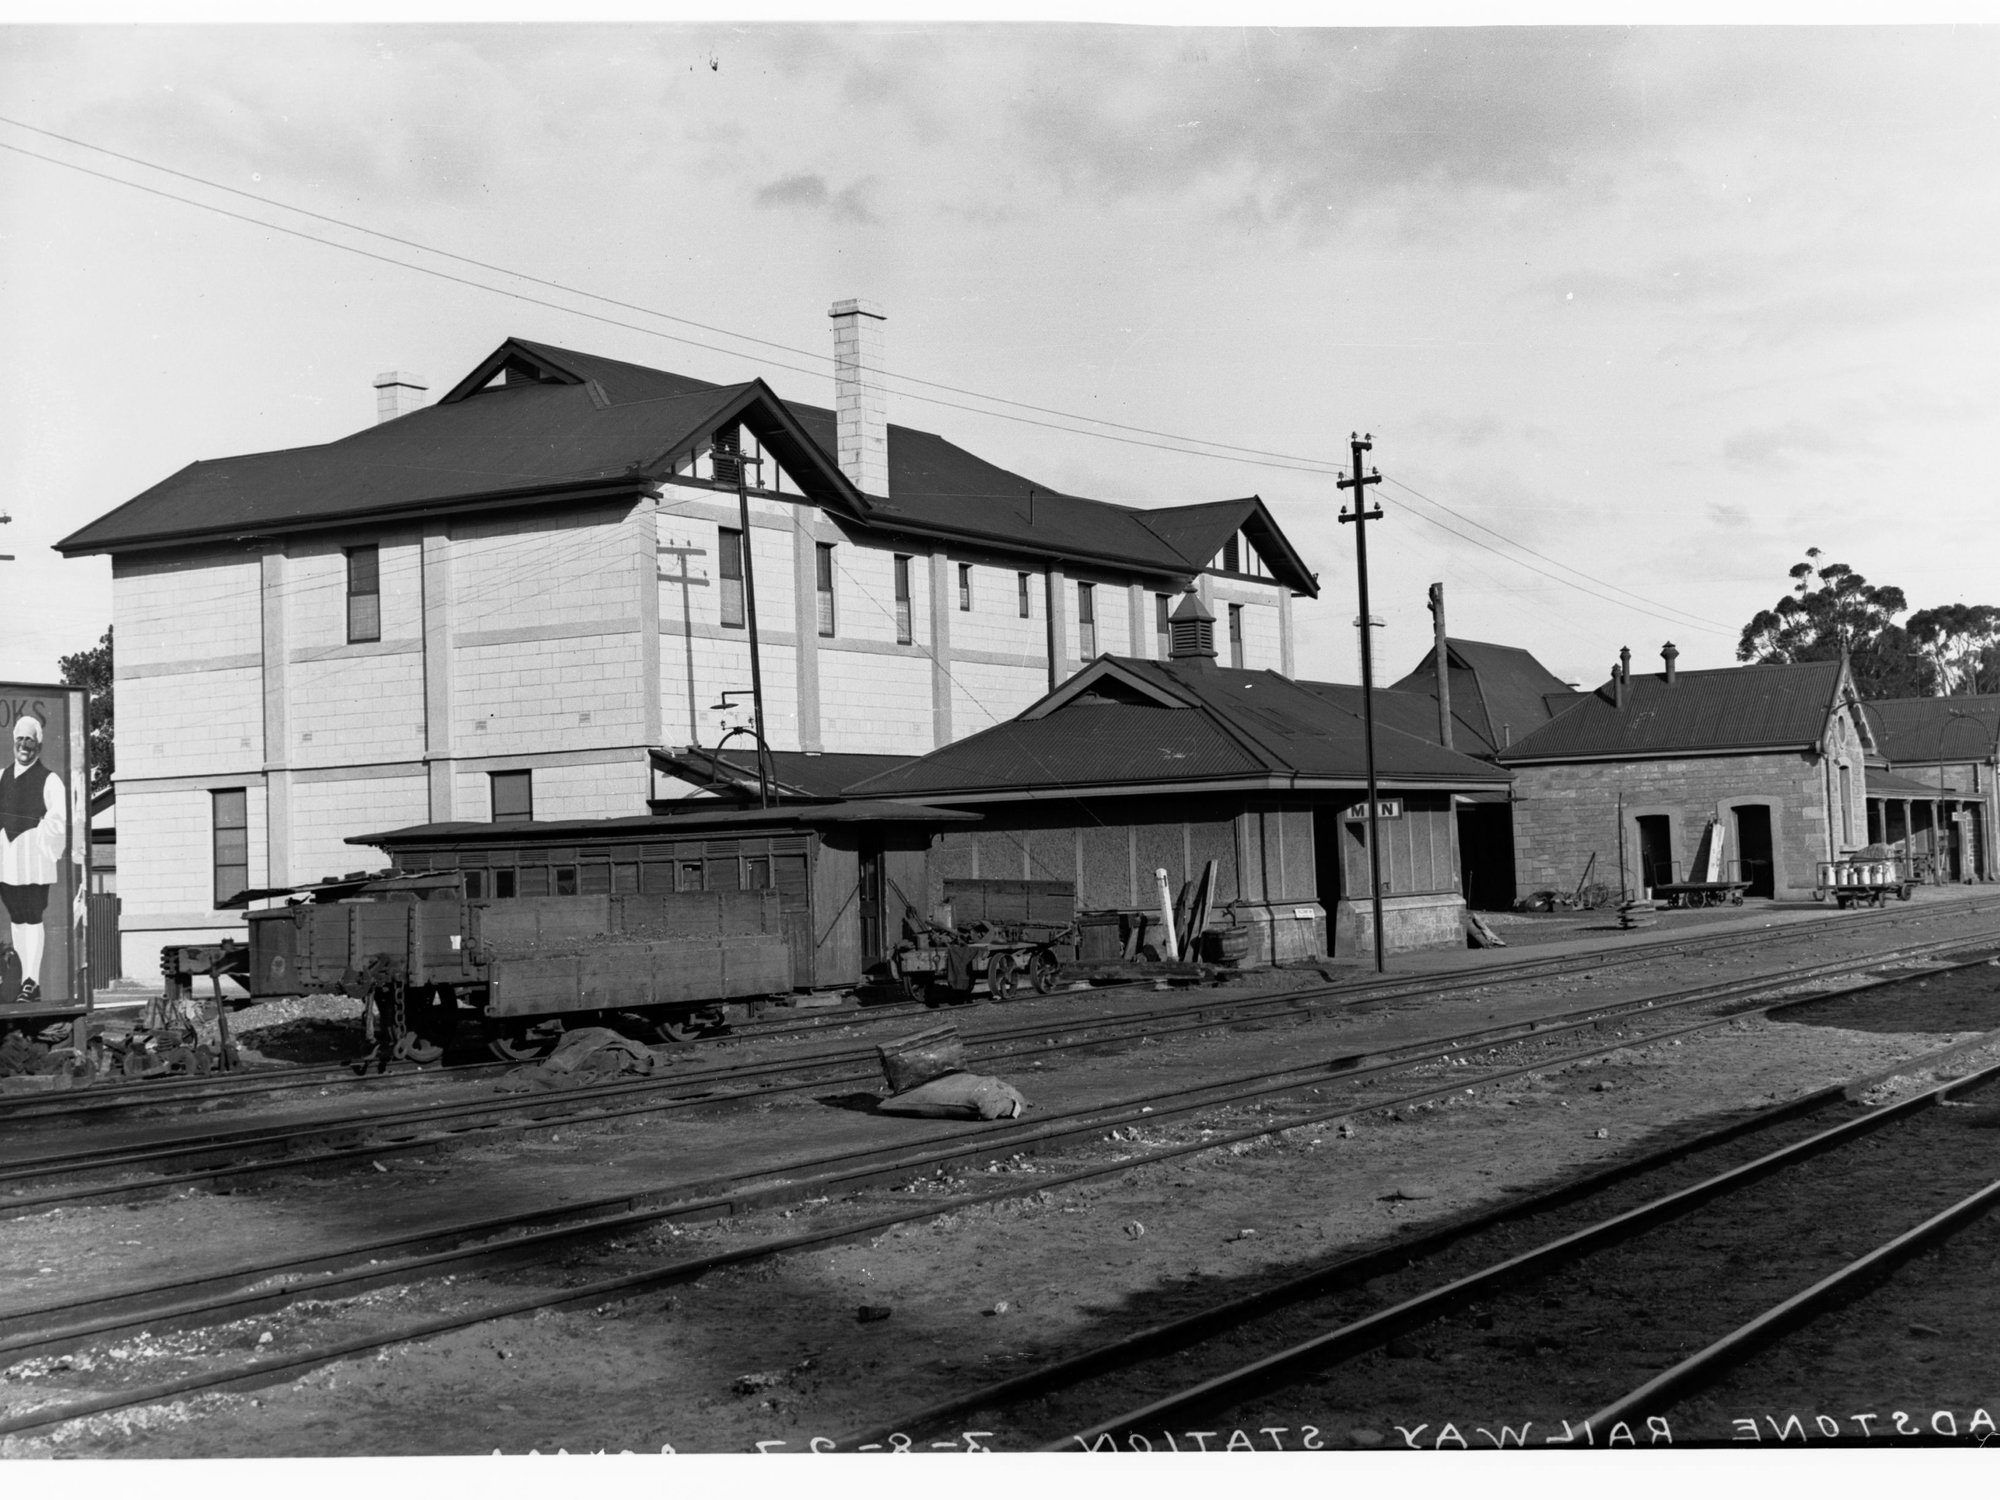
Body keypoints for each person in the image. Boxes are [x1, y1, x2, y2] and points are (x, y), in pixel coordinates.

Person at [0, 715, 65, 1003]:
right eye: (19, 739)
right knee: (17, 917)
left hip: (34, 858)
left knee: (32, 915)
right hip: (8, 857)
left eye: (29, 739)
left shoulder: (50, 779)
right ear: (13, 743)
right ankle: (24, 978)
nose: (23, 745)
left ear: (38, 744)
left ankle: (32, 980)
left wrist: (38, 836)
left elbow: (59, 818)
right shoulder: (1, 774)